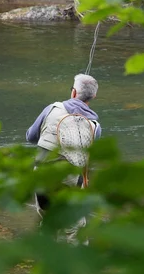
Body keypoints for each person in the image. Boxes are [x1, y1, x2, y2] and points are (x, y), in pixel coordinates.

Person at [26, 73, 101, 244]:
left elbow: (30, 137)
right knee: (74, 226)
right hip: (72, 179)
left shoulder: (51, 109)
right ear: (94, 96)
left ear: (73, 92)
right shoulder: (95, 126)